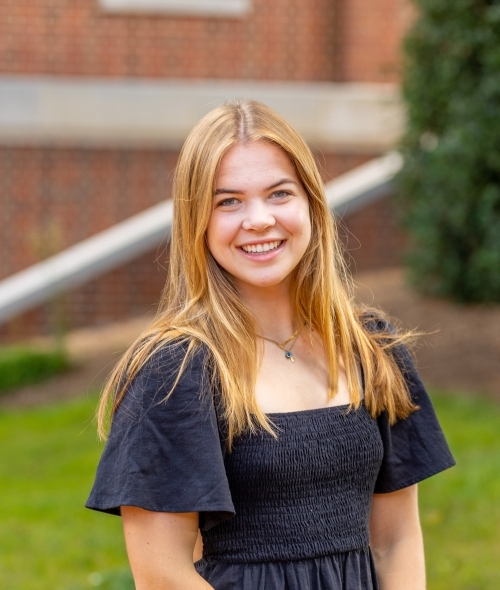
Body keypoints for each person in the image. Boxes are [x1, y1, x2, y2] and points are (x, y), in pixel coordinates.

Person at [86, 99, 455, 590]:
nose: (258, 220)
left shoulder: (372, 349)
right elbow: (163, 575)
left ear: (310, 203)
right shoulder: (176, 372)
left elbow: (396, 540)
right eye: (228, 201)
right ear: (197, 221)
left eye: (279, 193)